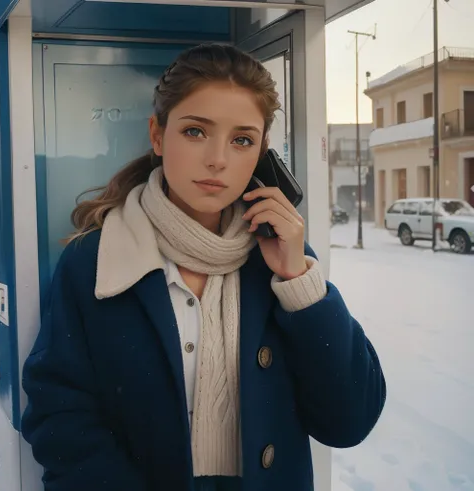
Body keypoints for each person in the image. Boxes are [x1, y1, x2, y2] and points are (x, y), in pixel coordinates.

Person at [20, 43, 386, 491]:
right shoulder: (95, 259)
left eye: (242, 140)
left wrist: (299, 281)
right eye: (196, 132)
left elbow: (350, 420)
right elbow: (58, 413)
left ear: (263, 155)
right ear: (158, 135)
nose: (218, 159)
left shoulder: (278, 258)